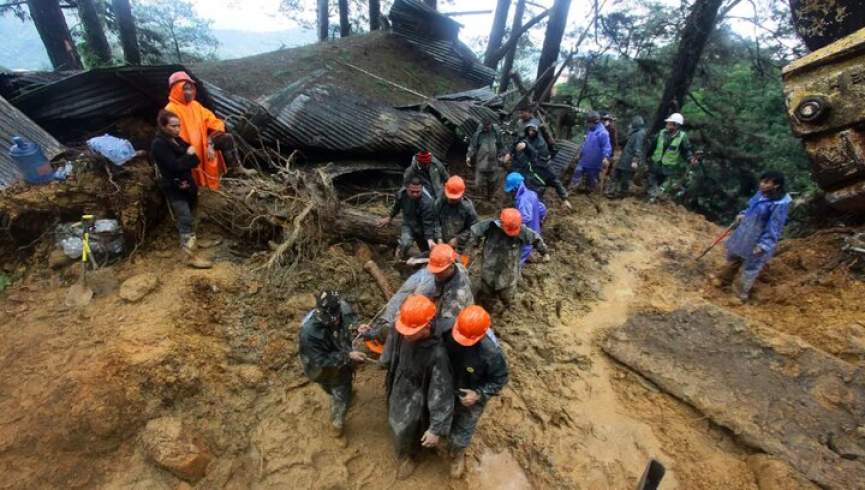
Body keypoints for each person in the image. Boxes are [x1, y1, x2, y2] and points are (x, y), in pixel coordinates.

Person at [359, 243, 473, 364]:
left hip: (449, 324)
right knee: (405, 309)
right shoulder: (451, 269)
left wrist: (421, 324)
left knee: (409, 326)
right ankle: (381, 331)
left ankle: (389, 350)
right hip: (439, 303)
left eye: (439, 272)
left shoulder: (456, 297)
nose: (436, 274)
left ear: (450, 266)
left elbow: (445, 326)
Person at [385, 294, 454, 480]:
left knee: (411, 427)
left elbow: (442, 393)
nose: (405, 334)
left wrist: (436, 429)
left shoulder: (437, 354)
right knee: (394, 414)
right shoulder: (406, 329)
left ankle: (412, 456)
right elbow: (393, 343)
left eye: (411, 331)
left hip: (418, 392)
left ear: (427, 326)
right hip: (401, 379)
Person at [445, 305, 509, 478]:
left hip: (472, 390)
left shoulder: (491, 353)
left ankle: (458, 454)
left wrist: (479, 394)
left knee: (462, 429)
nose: (460, 340)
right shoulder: (451, 327)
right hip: (450, 379)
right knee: (441, 415)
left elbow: (500, 379)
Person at [298, 291, 368, 441]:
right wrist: (347, 356)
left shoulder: (342, 307)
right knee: (333, 389)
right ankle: (336, 426)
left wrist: (357, 327)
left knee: (341, 392)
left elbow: (350, 321)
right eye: (330, 320)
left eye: (336, 319)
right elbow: (318, 360)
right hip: (321, 367)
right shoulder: (308, 332)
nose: (335, 322)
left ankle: (338, 416)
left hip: (342, 359)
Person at [164, 71, 251, 191]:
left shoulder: (196, 105)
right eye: (184, 89)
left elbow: (215, 122)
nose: (189, 92)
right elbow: (174, 138)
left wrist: (210, 142)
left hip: (204, 144)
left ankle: (235, 170)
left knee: (226, 138)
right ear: (175, 89)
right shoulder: (170, 110)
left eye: (191, 88)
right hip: (186, 151)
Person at [150, 110, 213, 269]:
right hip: (174, 187)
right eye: (173, 126)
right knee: (184, 219)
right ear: (163, 126)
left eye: (179, 125)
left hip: (188, 185)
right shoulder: (159, 144)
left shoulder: (177, 140)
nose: (178, 129)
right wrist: (188, 155)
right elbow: (174, 166)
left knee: (192, 214)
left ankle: (194, 244)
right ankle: (190, 256)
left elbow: (196, 161)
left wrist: (188, 157)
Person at [717, 171, 791, 302]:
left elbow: (775, 226)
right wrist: (743, 214)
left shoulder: (779, 204)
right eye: (762, 181)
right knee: (735, 257)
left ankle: (740, 294)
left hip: (758, 238)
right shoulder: (761, 194)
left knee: (751, 267)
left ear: (776, 185)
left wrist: (764, 244)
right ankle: (724, 282)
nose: (762, 184)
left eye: (767, 182)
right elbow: (751, 207)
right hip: (745, 233)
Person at [467, 208, 549, 311]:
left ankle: (507, 311)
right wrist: (475, 244)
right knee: (485, 295)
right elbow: (475, 231)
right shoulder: (490, 226)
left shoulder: (522, 231)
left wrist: (544, 252)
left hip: (508, 274)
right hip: (488, 270)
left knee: (508, 299)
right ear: (501, 224)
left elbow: (536, 238)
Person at [379, 177, 437, 259]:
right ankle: (400, 258)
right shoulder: (401, 194)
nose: (415, 194)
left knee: (427, 252)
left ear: (422, 189)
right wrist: (390, 217)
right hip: (408, 224)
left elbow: (428, 222)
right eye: (412, 191)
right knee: (405, 243)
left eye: (418, 192)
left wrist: (430, 239)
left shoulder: (427, 203)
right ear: (407, 188)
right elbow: (397, 206)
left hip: (422, 228)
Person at [647, 112, 698, 200]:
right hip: (655, 163)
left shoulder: (682, 137)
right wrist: (646, 157)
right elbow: (652, 146)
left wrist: (690, 159)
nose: (667, 125)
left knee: (661, 183)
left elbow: (686, 151)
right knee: (651, 180)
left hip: (668, 166)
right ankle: (652, 195)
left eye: (669, 124)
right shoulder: (661, 133)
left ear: (676, 125)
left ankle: (654, 197)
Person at [504, 172, 547, 264]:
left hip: (527, 234)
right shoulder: (532, 194)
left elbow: (526, 217)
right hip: (535, 230)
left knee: (518, 258)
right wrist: (541, 219)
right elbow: (542, 208)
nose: (511, 192)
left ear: (516, 187)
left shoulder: (523, 200)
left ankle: (516, 272)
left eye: (511, 190)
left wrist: (512, 221)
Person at [570, 111, 612, 193]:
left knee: (591, 178)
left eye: (589, 123)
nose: (588, 125)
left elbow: (606, 147)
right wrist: (580, 153)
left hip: (594, 162)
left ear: (595, 122)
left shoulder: (603, 133)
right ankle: (572, 189)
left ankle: (589, 192)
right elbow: (585, 143)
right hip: (584, 159)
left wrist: (606, 157)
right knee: (577, 172)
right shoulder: (590, 130)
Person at [435, 176, 479, 252]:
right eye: (450, 198)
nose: (452, 200)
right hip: (442, 241)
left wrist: (458, 239)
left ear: (462, 194)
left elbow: (474, 228)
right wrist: (439, 238)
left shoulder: (467, 207)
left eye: (455, 198)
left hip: (460, 245)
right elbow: (435, 220)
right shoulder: (440, 202)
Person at [607, 115, 647, 198]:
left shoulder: (640, 134)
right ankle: (611, 192)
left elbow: (638, 148)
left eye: (632, 123)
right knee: (616, 176)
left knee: (625, 179)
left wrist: (635, 161)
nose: (631, 125)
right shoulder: (635, 132)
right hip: (624, 159)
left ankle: (621, 195)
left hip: (629, 162)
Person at [466, 120, 506, 200]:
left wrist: (502, 155)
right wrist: (468, 156)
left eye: (488, 127)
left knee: (492, 181)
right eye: (484, 127)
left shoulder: (496, 133)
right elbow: (472, 146)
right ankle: (478, 196)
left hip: (493, 161)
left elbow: (501, 145)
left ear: (491, 125)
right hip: (481, 161)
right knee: (479, 181)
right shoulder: (477, 135)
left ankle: (490, 196)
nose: (486, 129)